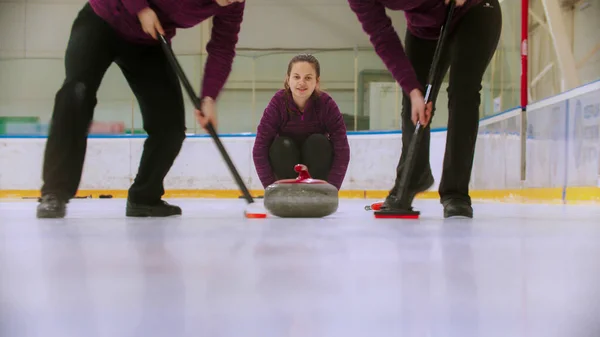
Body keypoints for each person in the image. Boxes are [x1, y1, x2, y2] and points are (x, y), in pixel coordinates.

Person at [36, 0, 245, 219]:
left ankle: (144, 197)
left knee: (170, 128)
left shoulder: (234, 5)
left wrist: (209, 97)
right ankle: (54, 193)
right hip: (103, 19)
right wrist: (141, 8)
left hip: (148, 41)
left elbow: (223, 46)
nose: (234, 1)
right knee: (76, 94)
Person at [348, 0, 502, 218]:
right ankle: (413, 176)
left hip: (474, 11)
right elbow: (381, 35)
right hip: (424, 28)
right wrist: (413, 91)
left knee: (463, 92)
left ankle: (455, 193)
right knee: (413, 98)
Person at [252, 54, 351, 191]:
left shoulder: (326, 104)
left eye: (308, 78)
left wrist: (332, 189)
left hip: (316, 163)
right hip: (286, 161)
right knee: (281, 144)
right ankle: (288, 191)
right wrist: (270, 188)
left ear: (317, 81)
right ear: (288, 79)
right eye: (296, 77)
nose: (302, 83)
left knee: (318, 141)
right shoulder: (278, 103)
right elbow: (260, 148)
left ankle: (316, 191)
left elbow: (342, 150)